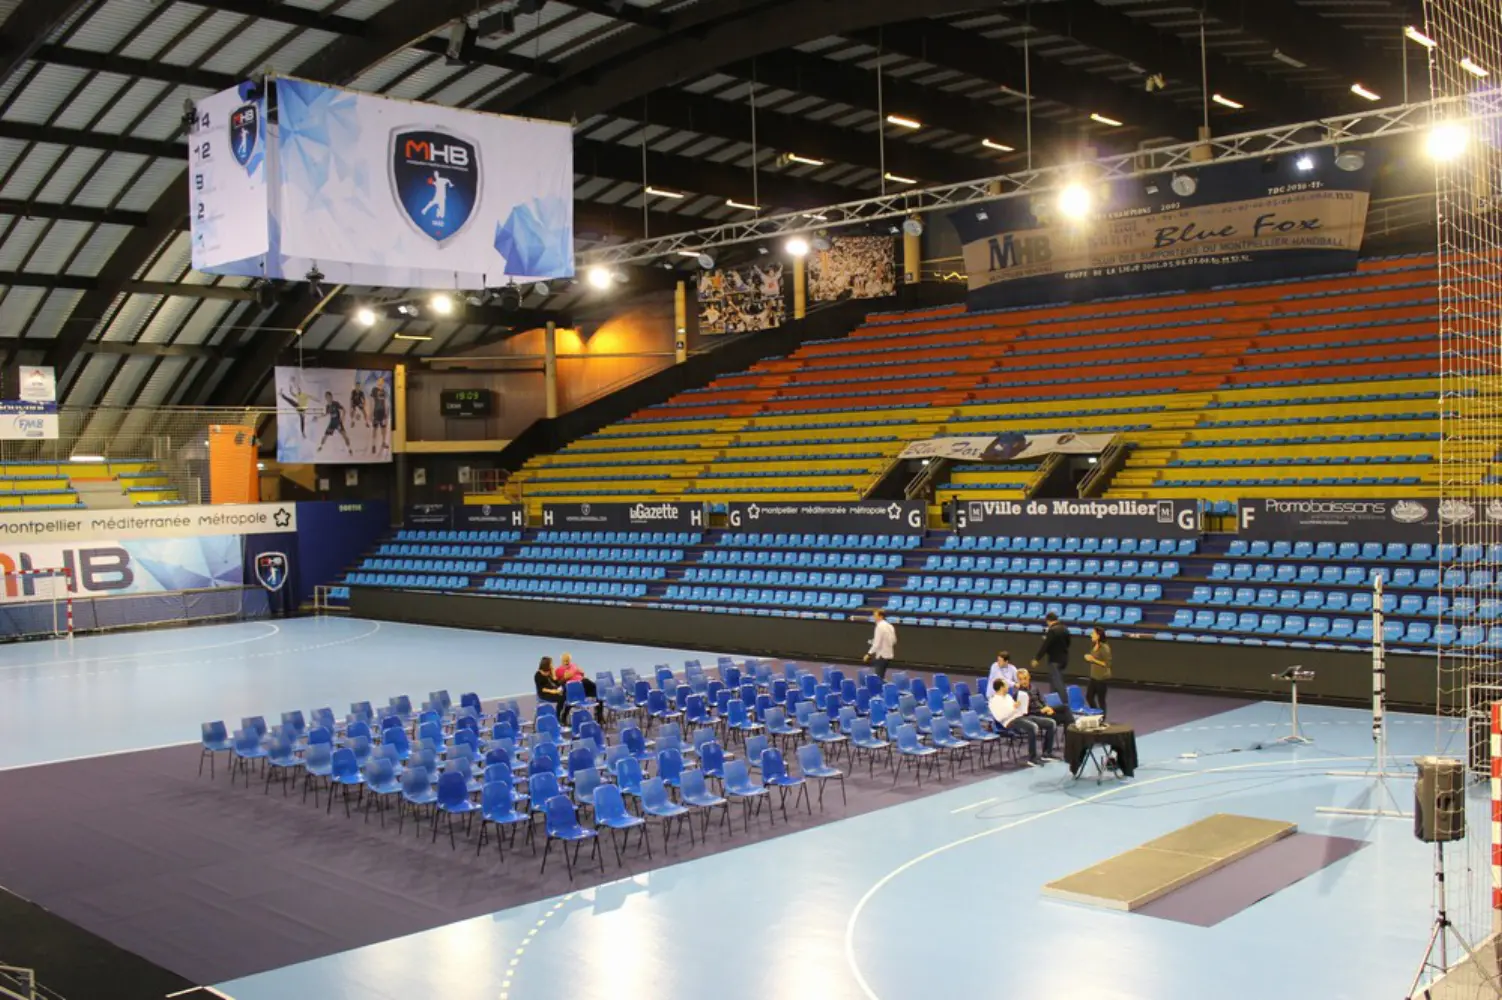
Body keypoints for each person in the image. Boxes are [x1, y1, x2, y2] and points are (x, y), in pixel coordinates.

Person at [989, 672, 1053, 766]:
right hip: (1009, 722)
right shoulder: (994, 701)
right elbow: (1000, 717)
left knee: (1051, 723)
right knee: (1033, 727)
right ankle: (1032, 758)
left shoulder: (1008, 697)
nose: (1008, 687)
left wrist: (1021, 708)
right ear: (1002, 687)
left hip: (1020, 717)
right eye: (1006, 685)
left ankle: (1047, 753)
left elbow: (1015, 710)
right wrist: (1014, 708)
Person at [1017, 668, 1060, 759]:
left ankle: (1072, 740)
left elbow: (1042, 700)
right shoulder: (1019, 694)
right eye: (1020, 679)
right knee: (1052, 722)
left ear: (1029, 677)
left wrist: (1047, 707)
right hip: (1033, 715)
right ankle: (1047, 753)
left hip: (1042, 710)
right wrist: (1040, 711)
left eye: (1025, 678)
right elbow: (1025, 711)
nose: (1023, 681)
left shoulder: (1034, 687)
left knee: (1064, 709)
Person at [1031, 611, 1072, 702]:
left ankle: (1064, 701)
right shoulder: (1065, 629)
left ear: (1048, 621)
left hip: (1054, 660)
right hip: (1064, 658)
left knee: (1057, 682)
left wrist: (1037, 658)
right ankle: (1053, 701)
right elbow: (1068, 643)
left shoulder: (1052, 630)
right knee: (1054, 680)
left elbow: (1046, 646)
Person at [556, 652, 602, 724]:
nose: (567, 661)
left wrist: (577, 671)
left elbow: (582, 673)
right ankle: (563, 716)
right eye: (565, 660)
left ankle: (599, 715)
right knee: (570, 698)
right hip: (572, 687)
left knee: (598, 692)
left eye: (568, 660)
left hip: (583, 684)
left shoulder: (574, 665)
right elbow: (561, 680)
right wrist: (573, 670)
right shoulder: (559, 669)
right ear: (562, 661)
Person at [1084, 625, 1113, 717]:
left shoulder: (1104, 648)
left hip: (1102, 678)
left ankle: (1102, 718)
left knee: (1101, 700)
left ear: (1098, 635)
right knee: (1089, 697)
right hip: (1094, 676)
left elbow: (1107, 664)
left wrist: (1092, 660)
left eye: (1093, 633)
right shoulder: (1095, 645)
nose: (1091, 635)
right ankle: (1096, 714)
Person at [863, 609, 896, 680]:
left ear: (880, 617)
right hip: (889, 655)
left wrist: (868, 654)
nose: (874, 617)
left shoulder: (879, 627)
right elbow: (893, 641)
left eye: (875, 616)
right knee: (881, 677)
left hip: (881, 656)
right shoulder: (890, 626)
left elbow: (876, 644)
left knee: (878, 678)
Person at [534, 655, 567, 722]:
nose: (552, 665)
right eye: (551, 663)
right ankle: (558, 716)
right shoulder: (538, 675)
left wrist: (554, 674)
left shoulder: (549, 672)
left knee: (566, 692)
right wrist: (554, 691)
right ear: (546, 664)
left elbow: (556, 683)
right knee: (561, 698)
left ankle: (563, 714)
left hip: (553, 691)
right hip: (544, 694)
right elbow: (542, 689)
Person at [369, 380, 389, 456]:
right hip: (376, 412)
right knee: (375, 428)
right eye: (379, 381)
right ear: (377, 382)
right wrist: (371, 413)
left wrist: (386, 413)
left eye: (382, 382)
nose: (380, 383)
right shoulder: (374, 390)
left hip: (382, 412)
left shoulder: (384, 391)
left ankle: (383, 442)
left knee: (383, 428)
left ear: (383, 383)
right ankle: (373, 445)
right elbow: (371, 401)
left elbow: (385, 402)